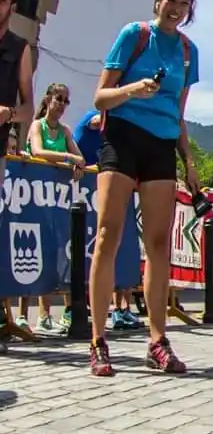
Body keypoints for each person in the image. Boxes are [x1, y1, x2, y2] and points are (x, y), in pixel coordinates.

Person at [88, 0, 202, 376]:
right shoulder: (134, 35)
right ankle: (99, 340)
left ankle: (157, 341)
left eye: (184, 3)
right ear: (158, 1)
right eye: (171, 0)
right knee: (108, 234)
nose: (176, 8)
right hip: (121, 136)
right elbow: (100, 96)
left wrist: (189, 163)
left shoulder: (189, 52)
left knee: (158, 244)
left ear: (190, 11)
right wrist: (133, 90)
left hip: (161, 145)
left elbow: (180, 113)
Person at [19, 83, 86, 333]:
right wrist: (69, 159)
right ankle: (28, 314)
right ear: (48, 100)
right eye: (59, 99)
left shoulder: (66, 131)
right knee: (31, 253)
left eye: (66, 101)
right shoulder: (38, 126)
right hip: (32, 197)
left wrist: (77, 162)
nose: (62, 105)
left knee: (59, 255)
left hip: (56, 200)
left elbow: (81, 158)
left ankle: (58, 313)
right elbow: (38, 151)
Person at [73, 110, 144, 331]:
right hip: (96, 183)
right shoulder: (97, 115)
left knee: (122, 247)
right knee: (105, 241)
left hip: (119, 181)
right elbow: (96, 121)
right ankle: (101, 326)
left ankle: (123, 308)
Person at [0, 0, 34, 165]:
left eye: (1, 0)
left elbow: (28, 109)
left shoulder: (20, 48)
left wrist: (8, 114)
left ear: (12, 8)